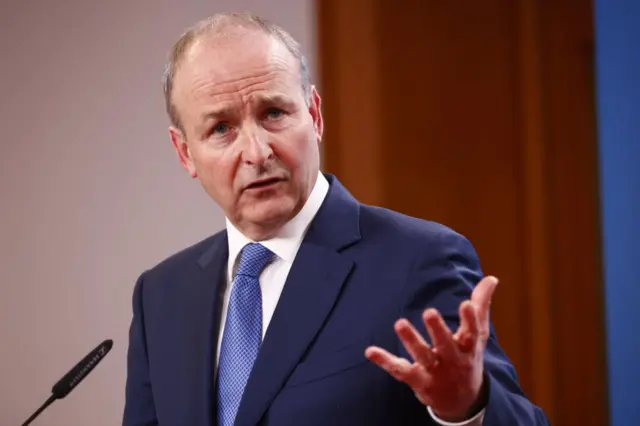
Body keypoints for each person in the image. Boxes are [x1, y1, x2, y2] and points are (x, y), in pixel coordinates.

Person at [123, 11, 549, 426]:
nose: (257, 152)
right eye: (221, 128)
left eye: (274, 113)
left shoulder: (418, 260)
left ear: (314, 115)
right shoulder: (161, 296)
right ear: (184, 153)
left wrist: (466, 408)